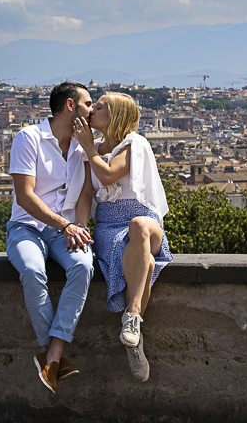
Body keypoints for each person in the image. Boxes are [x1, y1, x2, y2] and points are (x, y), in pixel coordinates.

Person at [72, 91, 172, 382]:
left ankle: (132, 315)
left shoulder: (134, 144)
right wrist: (79, 228)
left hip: (143, 222)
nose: (92, 112)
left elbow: (107, 175)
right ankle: (135, 339)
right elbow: (87, 194)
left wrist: (89, 148)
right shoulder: (90, 149)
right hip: (107, 226)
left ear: (114, 114)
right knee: (147, 267)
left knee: (139, 226)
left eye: (98, 107)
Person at [6, 80, 96, 394]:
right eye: (87, 104)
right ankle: (51, 353)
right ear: (70, 106)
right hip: (26, 228)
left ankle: (52, 354)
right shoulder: (28, 138)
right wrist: (65, 225)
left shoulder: (84, 143)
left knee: (84, 266)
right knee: (32, 270)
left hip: (65, 230)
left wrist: (80, 226)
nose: (92, 109)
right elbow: (25, 197)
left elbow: (86, 192)